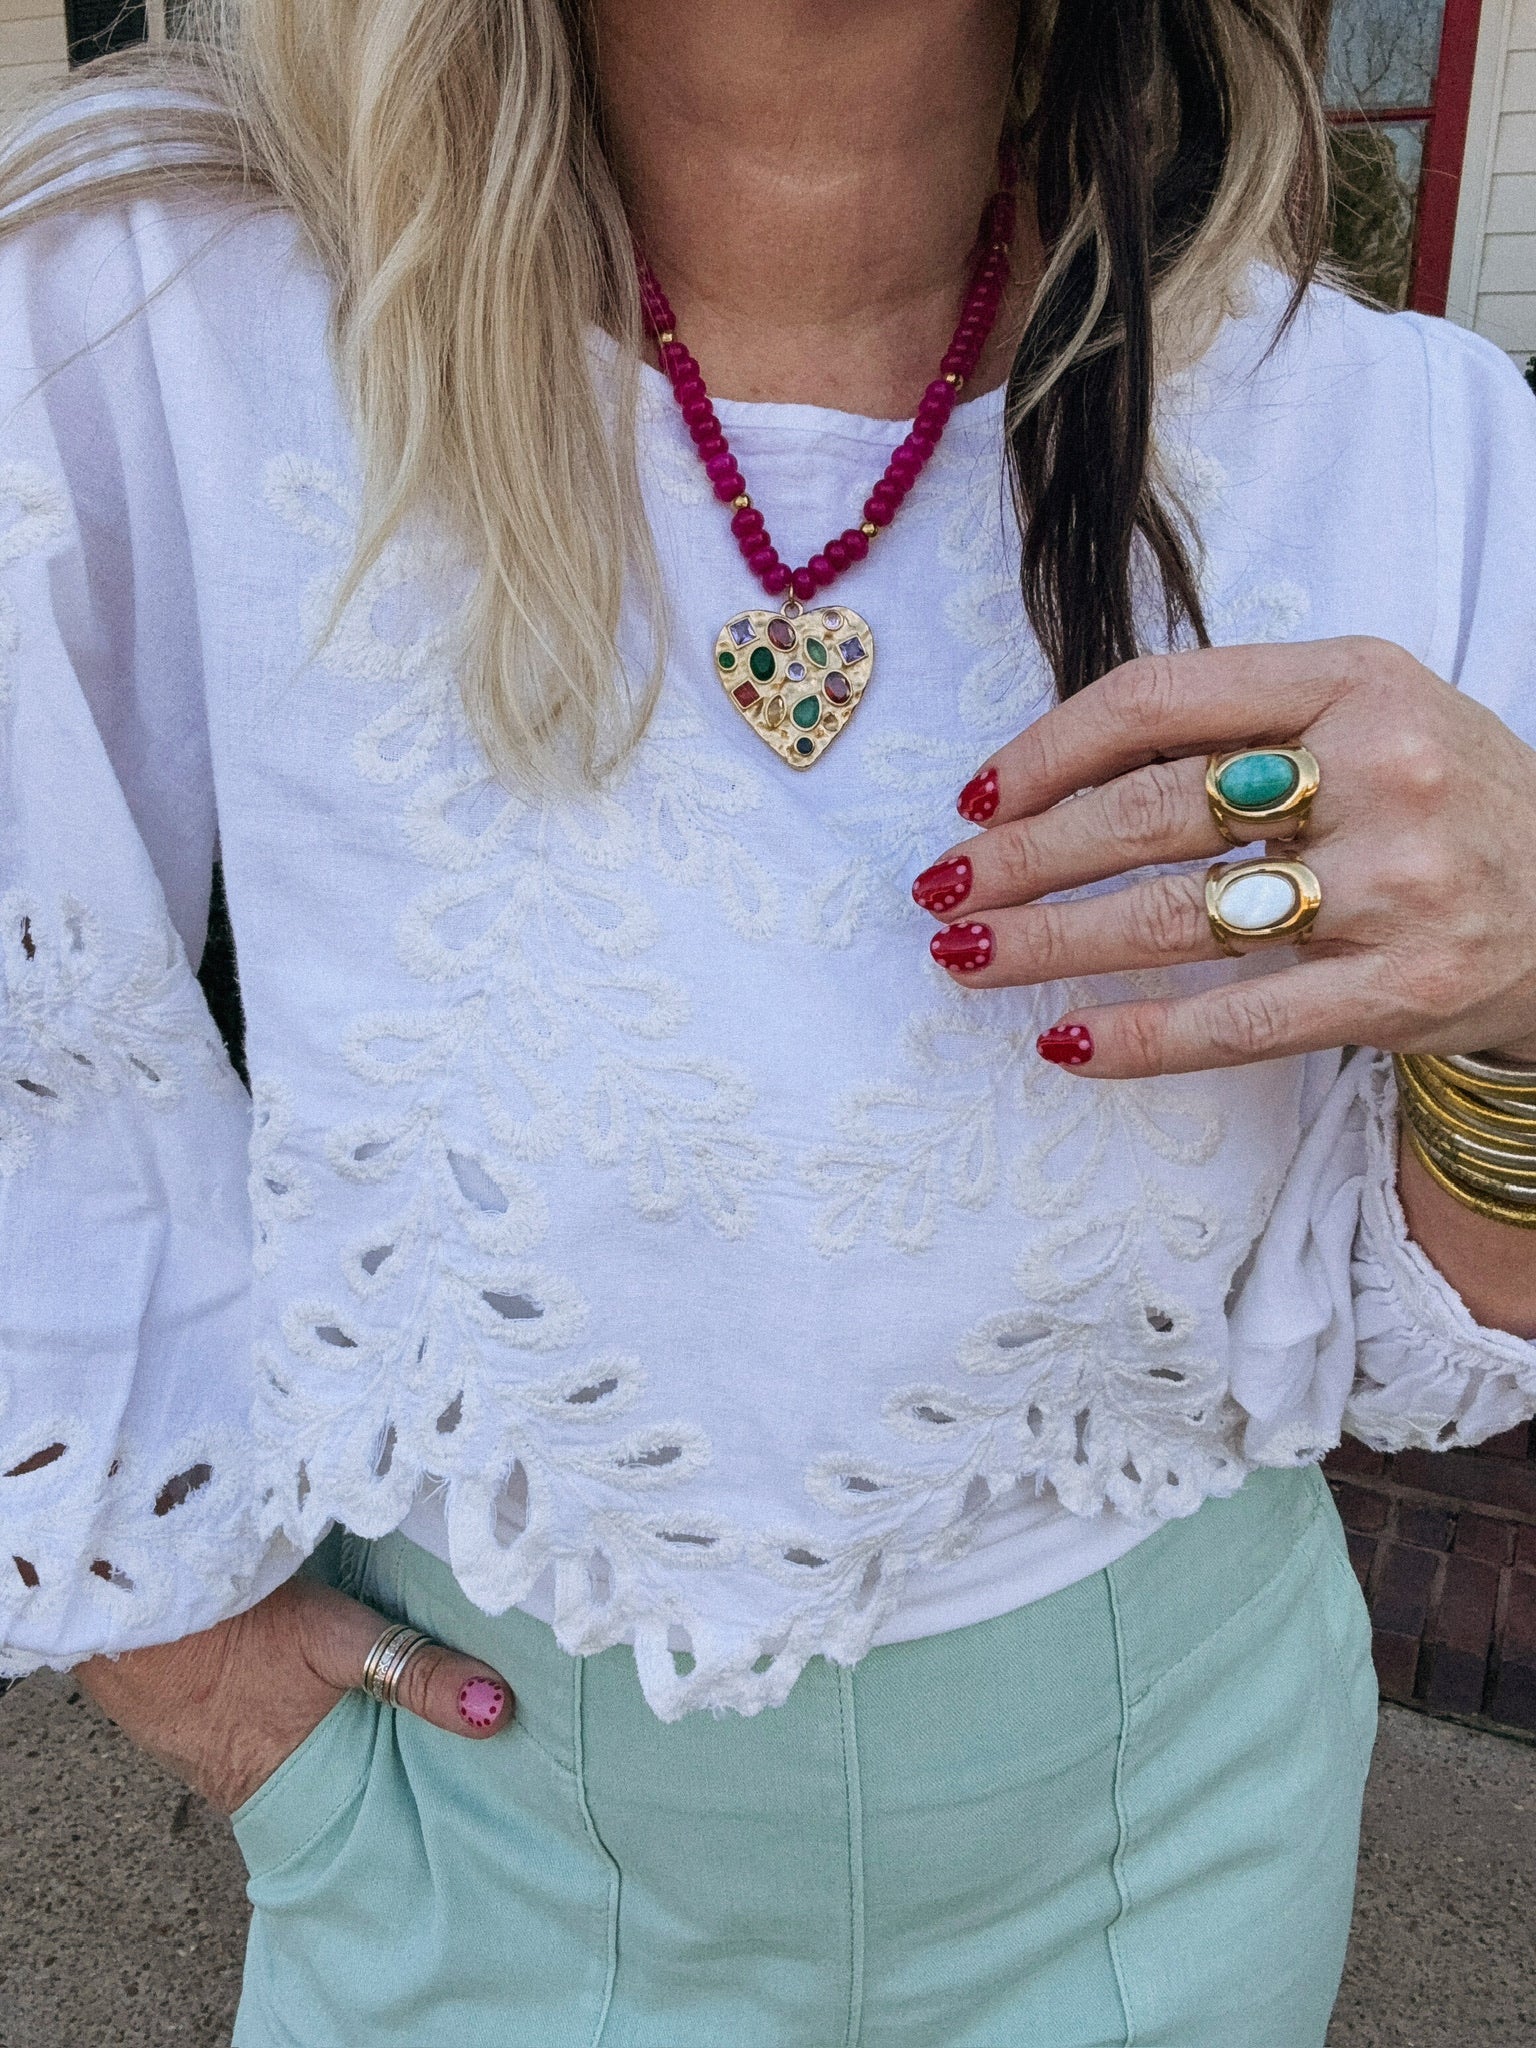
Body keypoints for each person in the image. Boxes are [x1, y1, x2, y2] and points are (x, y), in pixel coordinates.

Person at [1, 0, 1534, 2041]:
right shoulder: (159, 304)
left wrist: (1522, 1002)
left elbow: (1433, 1359)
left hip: (1178, 1818)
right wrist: (196, 1669)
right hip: (468, 1832)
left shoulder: (1409, 439)